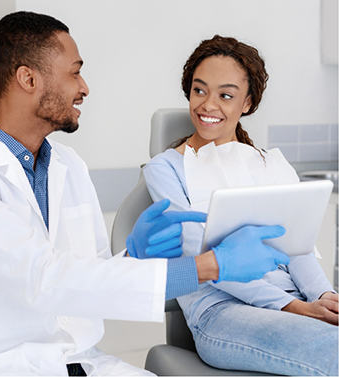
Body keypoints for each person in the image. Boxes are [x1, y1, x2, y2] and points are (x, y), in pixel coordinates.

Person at [0, 13, 291, 377]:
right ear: (28, 78)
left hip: (86, 361)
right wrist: (208, 266)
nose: (84, 87)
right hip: (2, 367)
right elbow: (42, 276)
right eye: (74, 72)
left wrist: (132, 257)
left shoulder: (67, 165)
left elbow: (91, 278)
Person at [144, 35, 339, 376]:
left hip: (293, 299)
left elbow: (299, 247)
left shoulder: (269, 165)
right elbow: (198, 254)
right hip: (222, 311)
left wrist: (323, 295)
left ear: (247, 103)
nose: (207, 105)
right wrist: (292, 306)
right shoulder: (166, 168)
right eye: (199, 90)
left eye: (226, 95)